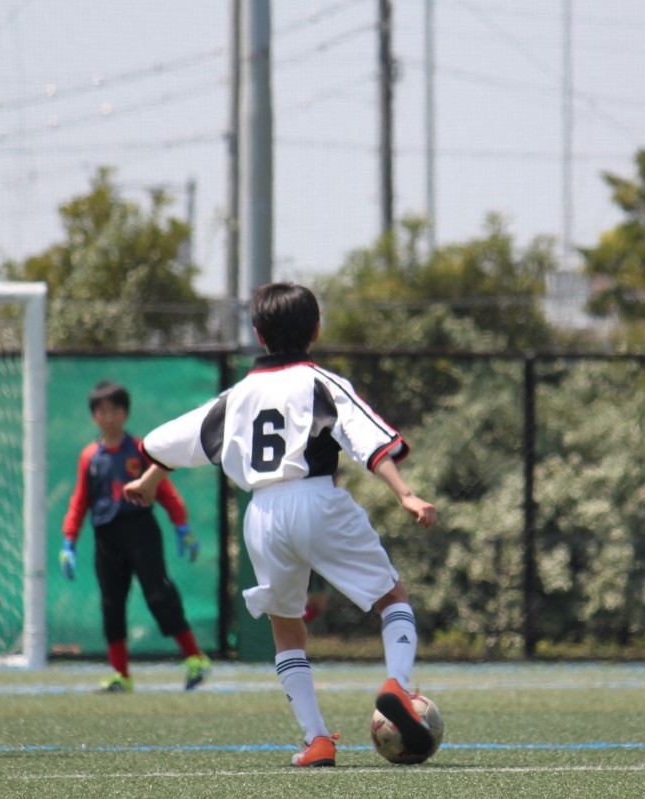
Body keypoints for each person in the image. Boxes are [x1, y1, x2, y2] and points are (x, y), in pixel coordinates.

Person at [123, 282, 438, 768]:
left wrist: (148, 481)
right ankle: (397, 683)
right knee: (392, 598)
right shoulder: (321, 382)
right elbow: (367, 441)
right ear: (316, 330)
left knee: (286, 628)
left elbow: (177, 440)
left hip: (263, 515)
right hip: (317, 499)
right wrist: (405, 493)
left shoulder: (236, 396)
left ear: (257, 333)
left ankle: (317, 740)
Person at [60, 380, 211, 692]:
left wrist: (182, 526)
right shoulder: (89, 457)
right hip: (107, 538)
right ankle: (121, 675)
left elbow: (164, 489)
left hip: (141, 531)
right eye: (102, 411)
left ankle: (195, 658)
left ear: (125, 413)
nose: (109, 417)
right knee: (111, 603)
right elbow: (80, 500)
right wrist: (68, 541)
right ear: (94, 416)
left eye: (115, 410)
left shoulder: (141, 450)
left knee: (159, 594)